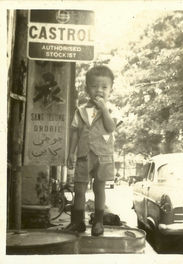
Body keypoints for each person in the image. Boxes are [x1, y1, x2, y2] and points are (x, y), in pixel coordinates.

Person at [66, 65, 117, 236]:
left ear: (111, 89)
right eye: (94, 86)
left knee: (99, 188)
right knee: (79, 188)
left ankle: (98, 223)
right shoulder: (80, 110)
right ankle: (78, 222)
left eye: (104, 87)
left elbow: (110, 128)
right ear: (87, 88)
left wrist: (103, 109)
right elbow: (75, 133)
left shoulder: (111, 110)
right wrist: (71, 152)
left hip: (103, 156)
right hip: (83, 154)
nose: (99, 90)